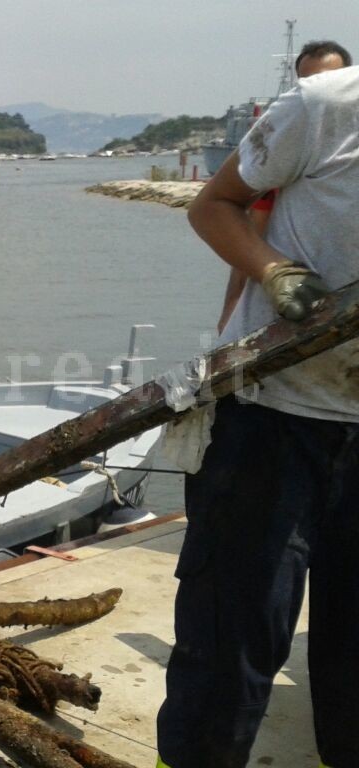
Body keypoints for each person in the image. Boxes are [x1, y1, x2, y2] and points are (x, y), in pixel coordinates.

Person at [156, 63, 359, 768]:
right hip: (273, 415)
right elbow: (214, 205)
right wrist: (274, 272)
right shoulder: (328, 107)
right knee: (231, 650)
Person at [215, 40, 351, 334]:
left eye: (328, 78)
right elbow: (248, 231)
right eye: (308, 82)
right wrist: (231, 310)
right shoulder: (287, 151)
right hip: (298, 318)